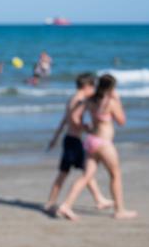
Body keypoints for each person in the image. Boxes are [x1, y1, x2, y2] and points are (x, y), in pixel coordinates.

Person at [57, 74, 137, 221]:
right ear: (112, 88)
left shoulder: (90, 100)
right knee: (115, 175)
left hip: (91, 140)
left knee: (86, 176)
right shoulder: (110, 102)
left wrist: (84, 127)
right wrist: (118, 100)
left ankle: (66, 205)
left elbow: (74, 116)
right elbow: (122, 121)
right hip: (104, 143)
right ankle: (119, 210)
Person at [45, 73, 112, 213]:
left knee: (83, 172)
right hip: (73, 142)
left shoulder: (72, 98)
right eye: (93, 86)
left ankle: (99, 199)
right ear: (86, 86)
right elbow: (74, 118)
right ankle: (51, 202)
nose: (94, 90)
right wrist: (86, 128)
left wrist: (55, 138)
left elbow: (64, 120)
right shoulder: (80, 99)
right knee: (71, 173)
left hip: (70, 140)